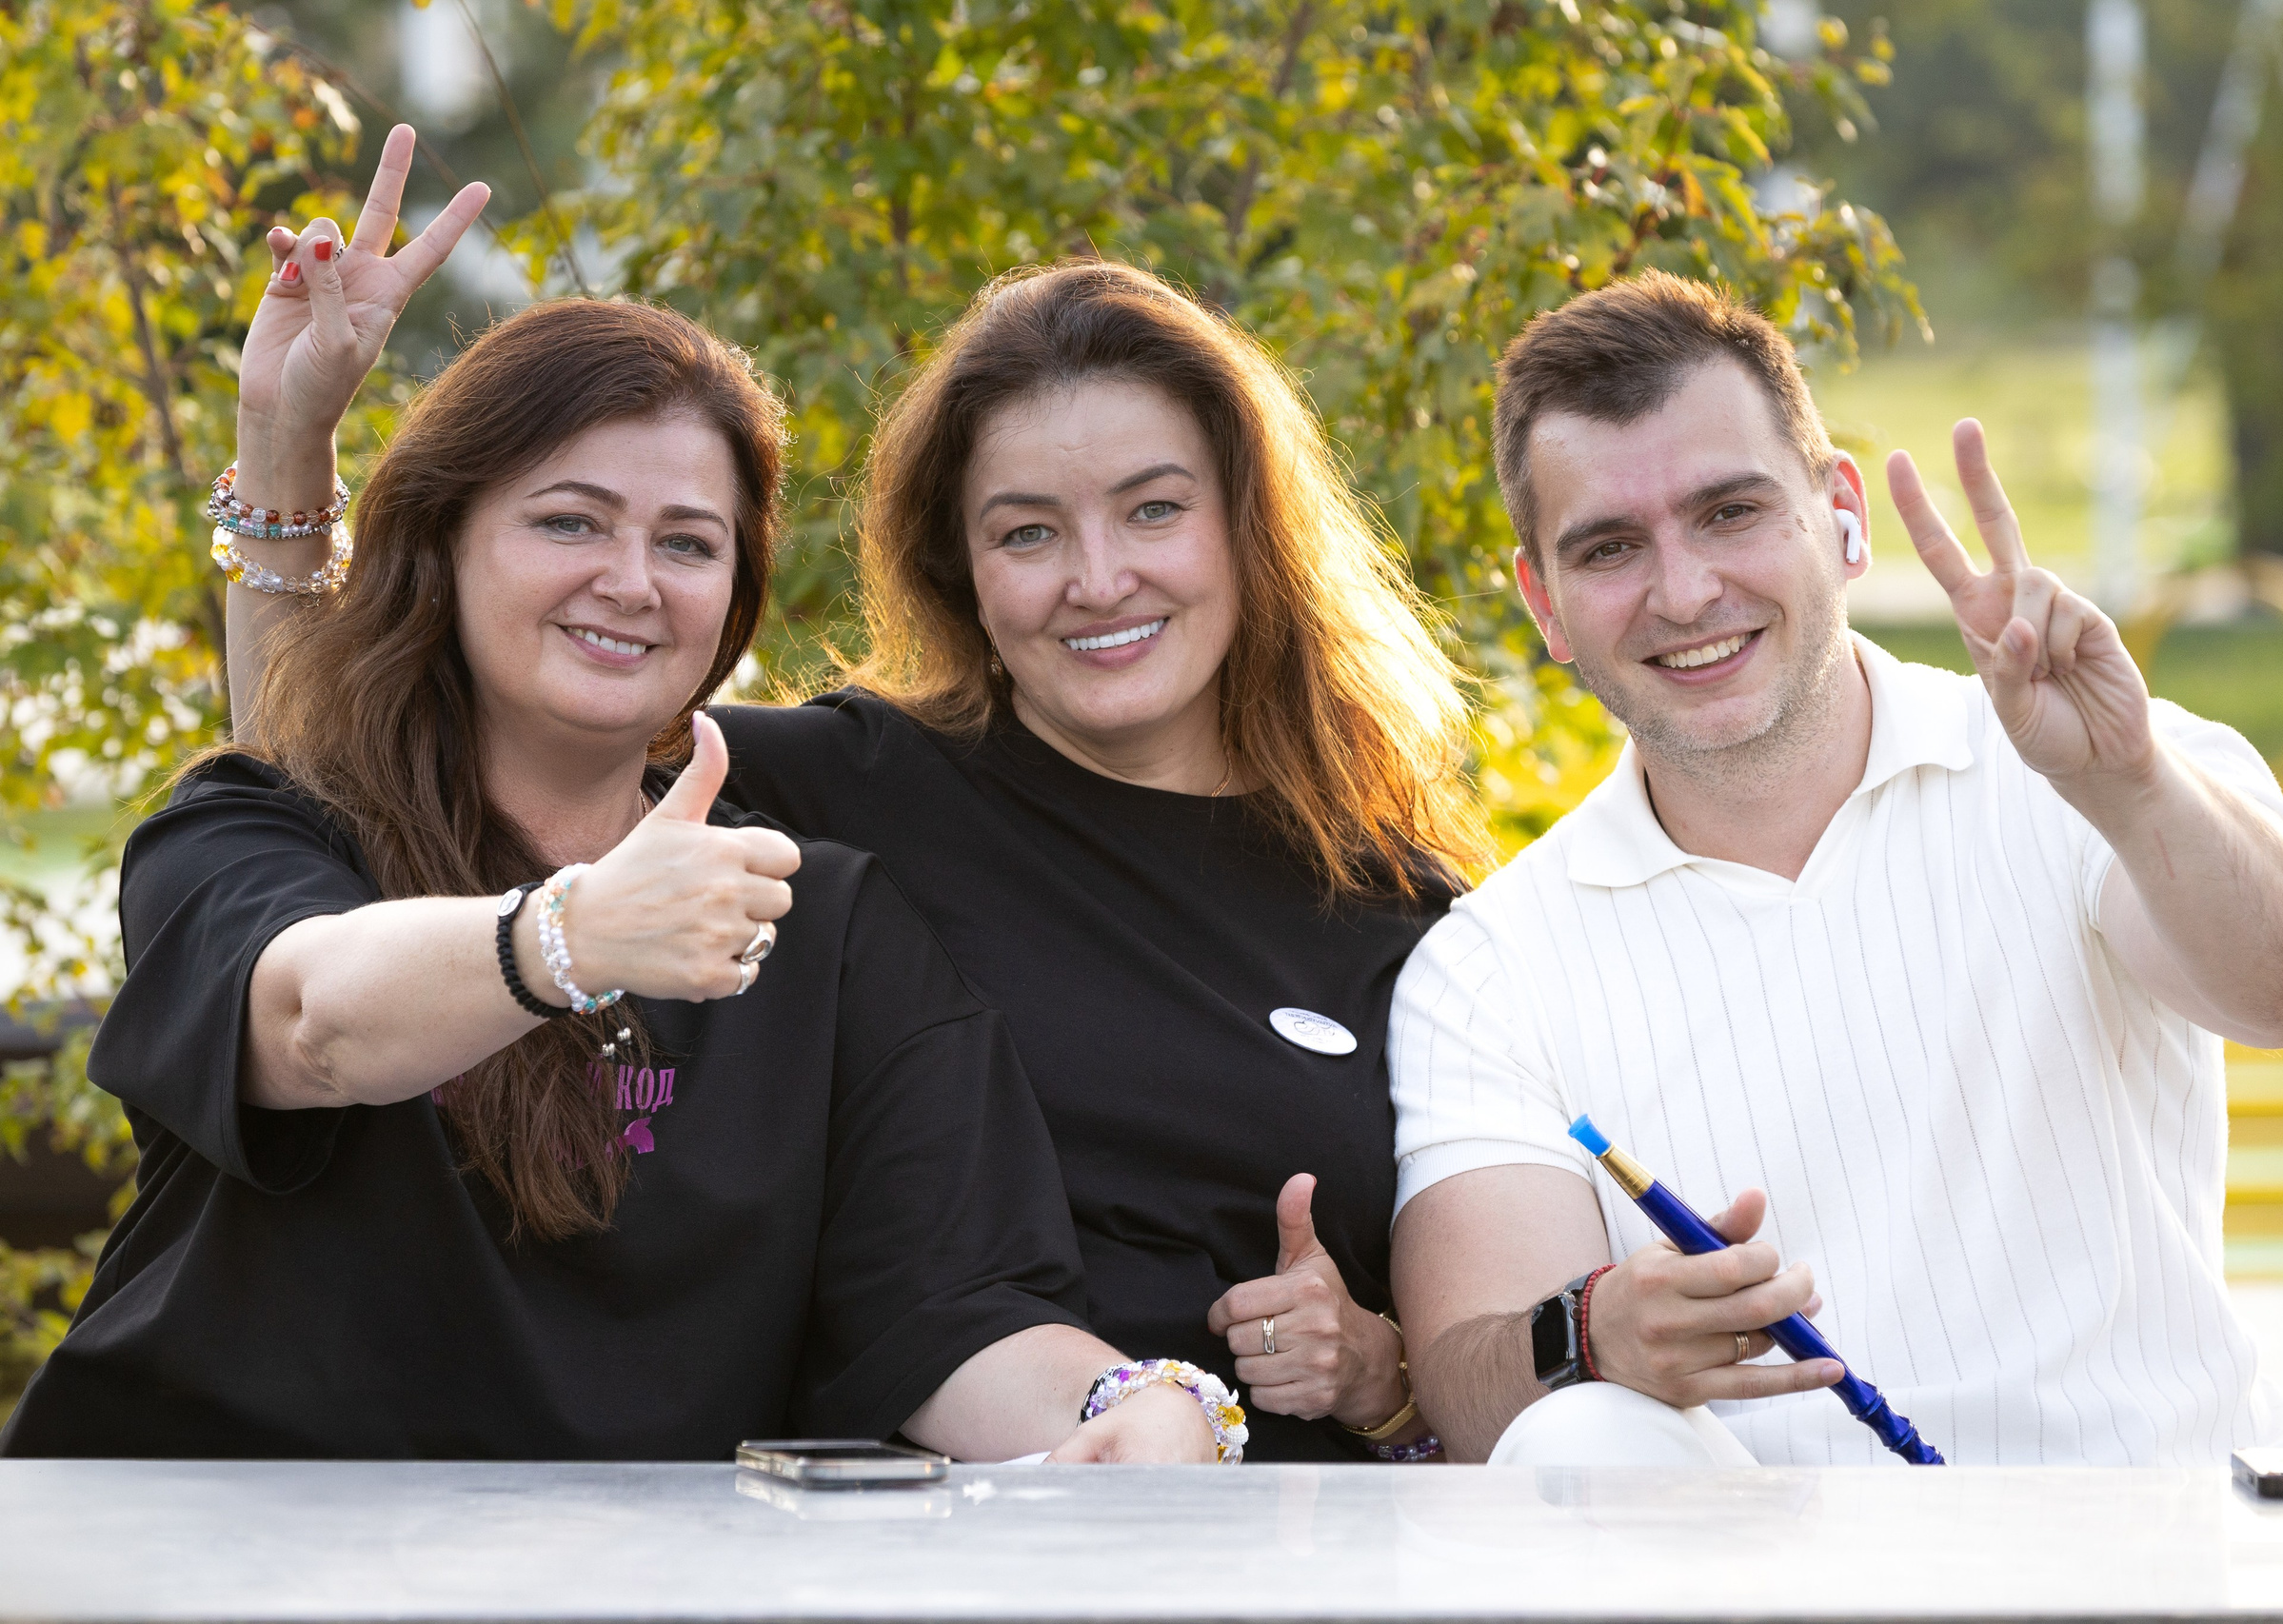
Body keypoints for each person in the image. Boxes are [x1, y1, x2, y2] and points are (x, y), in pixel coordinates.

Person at [231, 170, 1489, 1459]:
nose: (1098, 577)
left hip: (1277, 1517)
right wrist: (286, 443)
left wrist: (1381, 1375)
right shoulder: (835, 789)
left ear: (1250, 531)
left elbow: (1486, 1349)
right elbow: (363, 787)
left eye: (1154, 509)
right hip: (949, 1508)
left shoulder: (1399, 911)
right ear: (960, 568)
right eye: (1026, 532)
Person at [1, 138, 1219, 1464]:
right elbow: (313, 1021)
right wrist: (567, 934)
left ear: (735, 599)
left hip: (629, 1563)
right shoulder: (259, 828)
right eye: (569, 522)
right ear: (444, 545)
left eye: (688, 543)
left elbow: (954, 1315)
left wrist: (1130, 1409)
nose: (632, 581)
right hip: (204, 1539)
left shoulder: (821, 925)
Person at [1388, 271, 2283, 1468]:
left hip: (2155, 1533)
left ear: (1839, 512)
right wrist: (1590, 1332)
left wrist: (2128, 783)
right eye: (1610, 547)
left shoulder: (2098, 759)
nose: (1684, 591)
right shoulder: (1491, 967)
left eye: (1730, 512)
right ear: (1543, 601)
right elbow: (1470, 1383)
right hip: (1763, 1563)